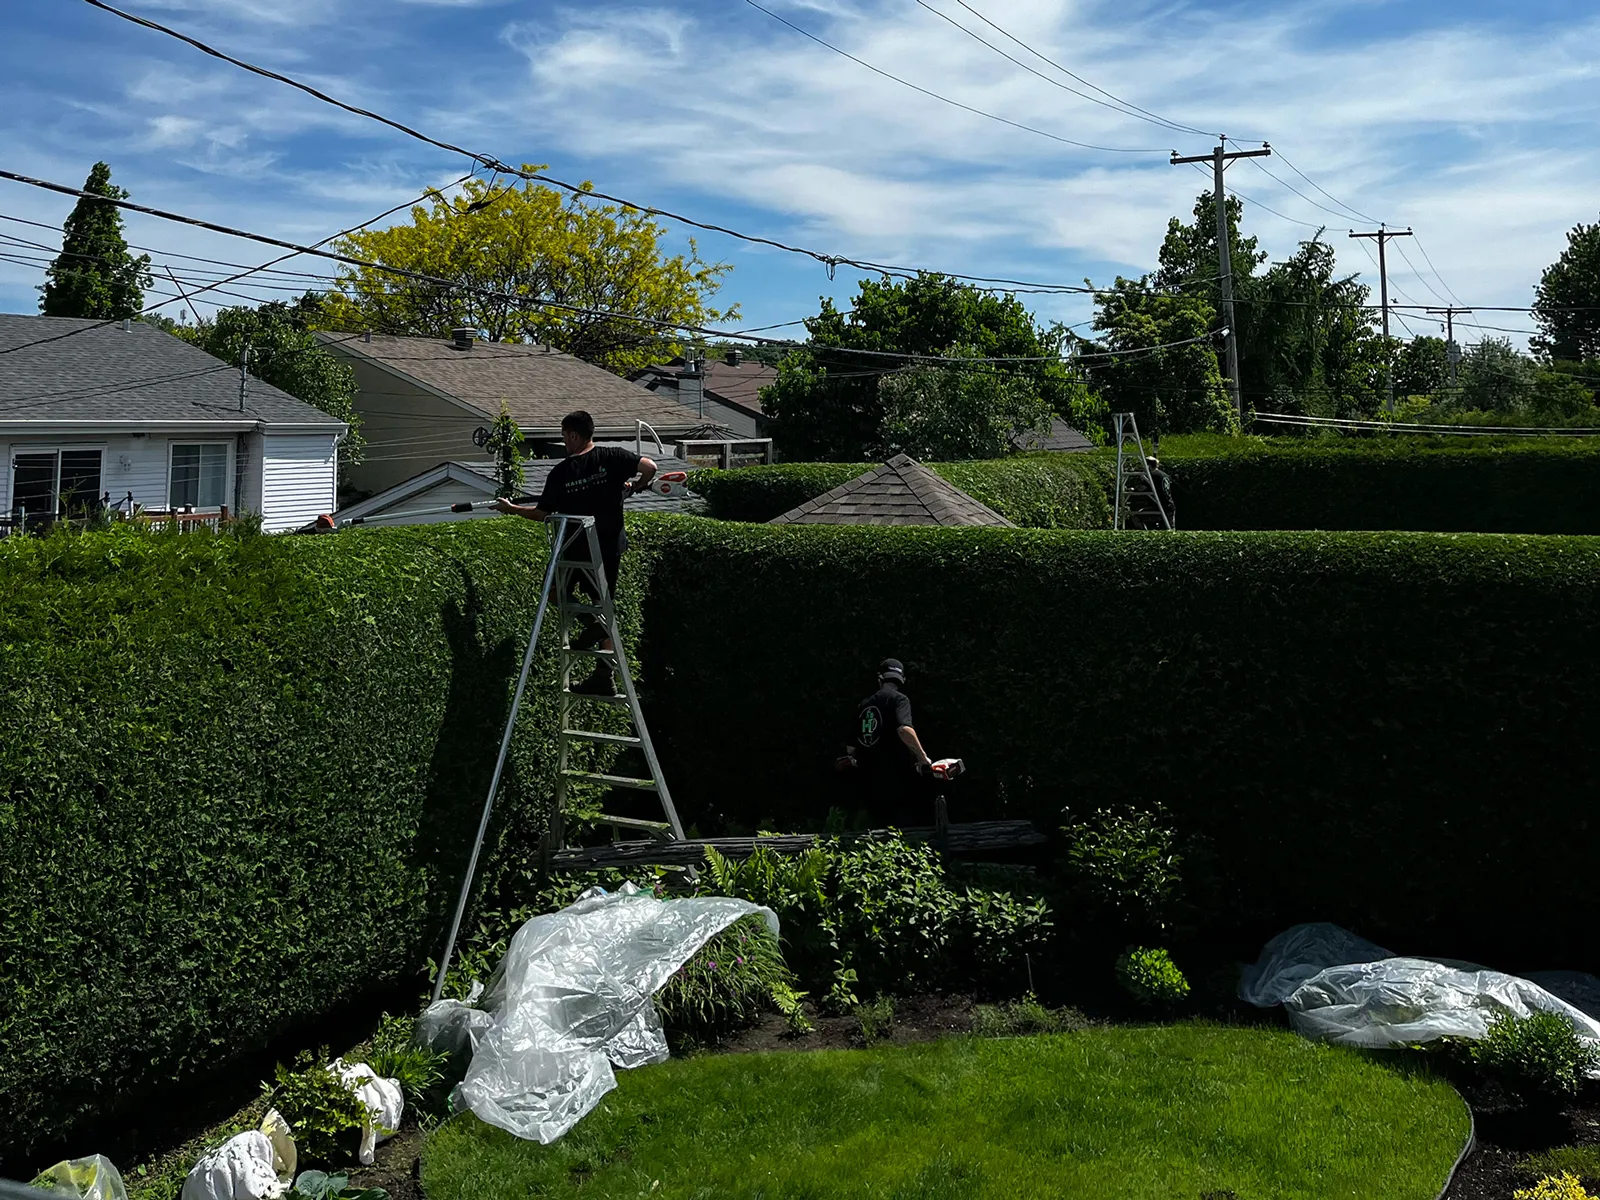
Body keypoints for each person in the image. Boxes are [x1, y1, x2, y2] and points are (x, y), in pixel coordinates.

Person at [493, 410, 657, 695]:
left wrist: (511, 509)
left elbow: (541, 514)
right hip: (609, 547)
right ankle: (604, 673)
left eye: (564, 436)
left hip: (574, 549)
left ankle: (592, 625)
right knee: (602, 602)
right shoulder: (614, 457)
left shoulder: (562, 473)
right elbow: (650, 467)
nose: (564, 442)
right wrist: (634, 487)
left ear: (573, 435)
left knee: (554, 592)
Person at [836, 658, 938, 825]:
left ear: (880, 678)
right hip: (898, 781)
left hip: (869, 783)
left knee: (875, 829)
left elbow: (851, 748)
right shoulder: (899, 699)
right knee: (902, 830)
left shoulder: (864, 705)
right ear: (902, 679)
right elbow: (904, 729)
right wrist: (922, 757)